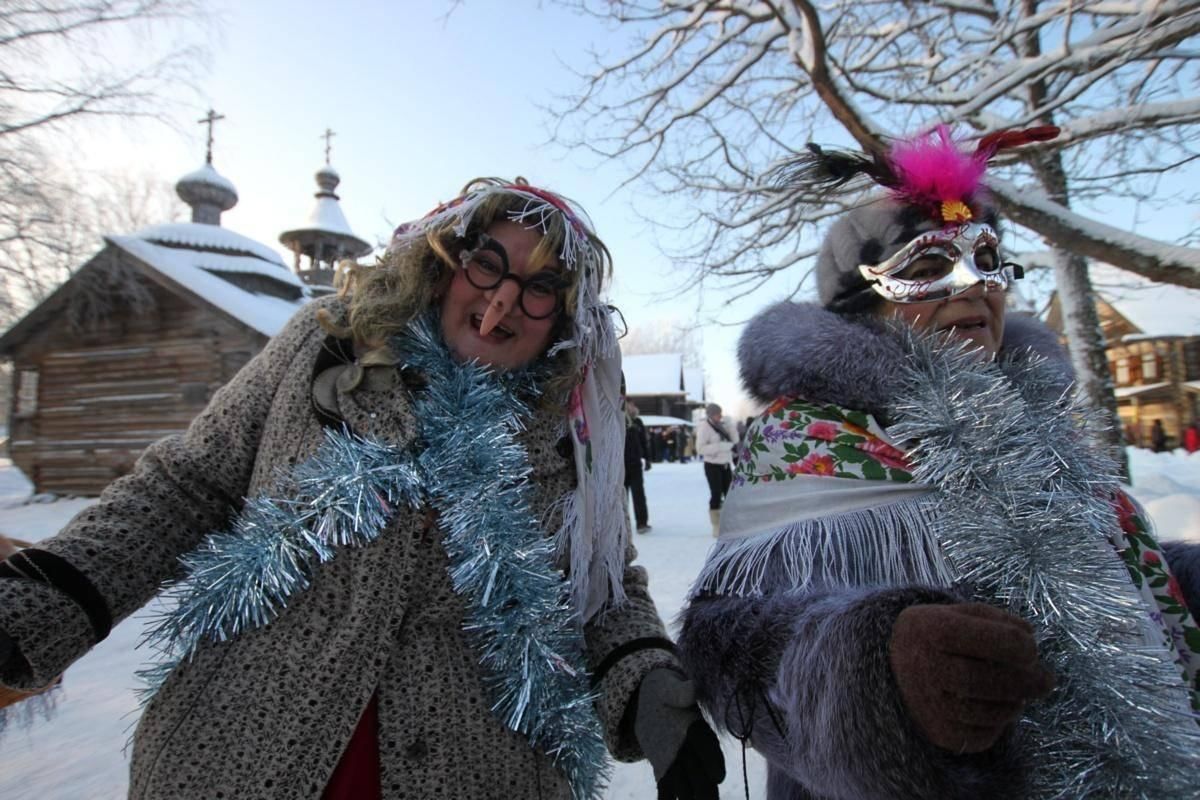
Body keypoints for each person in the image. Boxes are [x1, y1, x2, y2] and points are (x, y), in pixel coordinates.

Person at [0, 179, 725, 800]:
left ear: (564, 318)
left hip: (485, 768)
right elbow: (186, 485)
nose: (501, 302)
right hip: (236, 747)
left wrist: (648, 688)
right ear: (444, 265)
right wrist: (50, 599)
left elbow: (605, 592)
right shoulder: (323, 346)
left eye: (539, 290)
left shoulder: (572, 435)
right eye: (487, 265)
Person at [677, 128, 1200, 800]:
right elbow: (726, 649)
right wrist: (872, 665)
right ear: (866, 308)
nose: (972, 287)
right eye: (927, 269)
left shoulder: (1035, 426)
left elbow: (1114, 571)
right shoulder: (809, 444)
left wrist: (1181, 582)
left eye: (986, 260)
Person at [696, 403, 735, 537]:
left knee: (730, 495)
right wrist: (720, 446)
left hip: (725, 464)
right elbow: (700, 448)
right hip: (712, 465)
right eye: (718, 414)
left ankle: (729, 524)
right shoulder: (704, 427)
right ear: (711, 415)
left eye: (721, 413)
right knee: (716, 494)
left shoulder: (723, 425)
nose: (720, 416)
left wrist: (731, 426)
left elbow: (735, 440)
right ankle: (716, 526)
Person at [624, 399, 652, 533]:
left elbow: (643, 442)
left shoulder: (638, 422)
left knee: (639, 495)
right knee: (621, 498)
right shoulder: (616, 419)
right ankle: (621, 524)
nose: (634, 406)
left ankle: (642, 523)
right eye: (632, 404)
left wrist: (647, 459)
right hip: (620, 466)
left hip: (635, 465)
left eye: (634, 404)